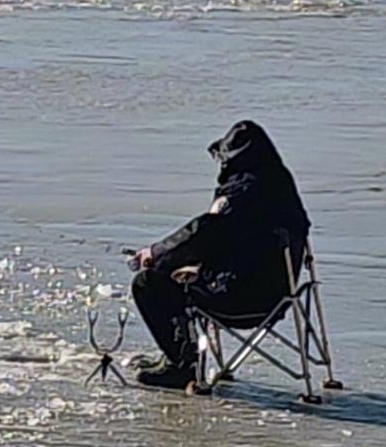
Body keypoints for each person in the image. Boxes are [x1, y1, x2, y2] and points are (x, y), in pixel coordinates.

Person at [129, 120, 309, 389]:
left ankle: (181, 365)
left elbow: (201, 234)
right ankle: (180, 358)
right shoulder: (282, 188)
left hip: (237, 299)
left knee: (150, 282)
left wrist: (155, 253)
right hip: (282, 296)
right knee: (185, 268)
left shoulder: (239, 193)